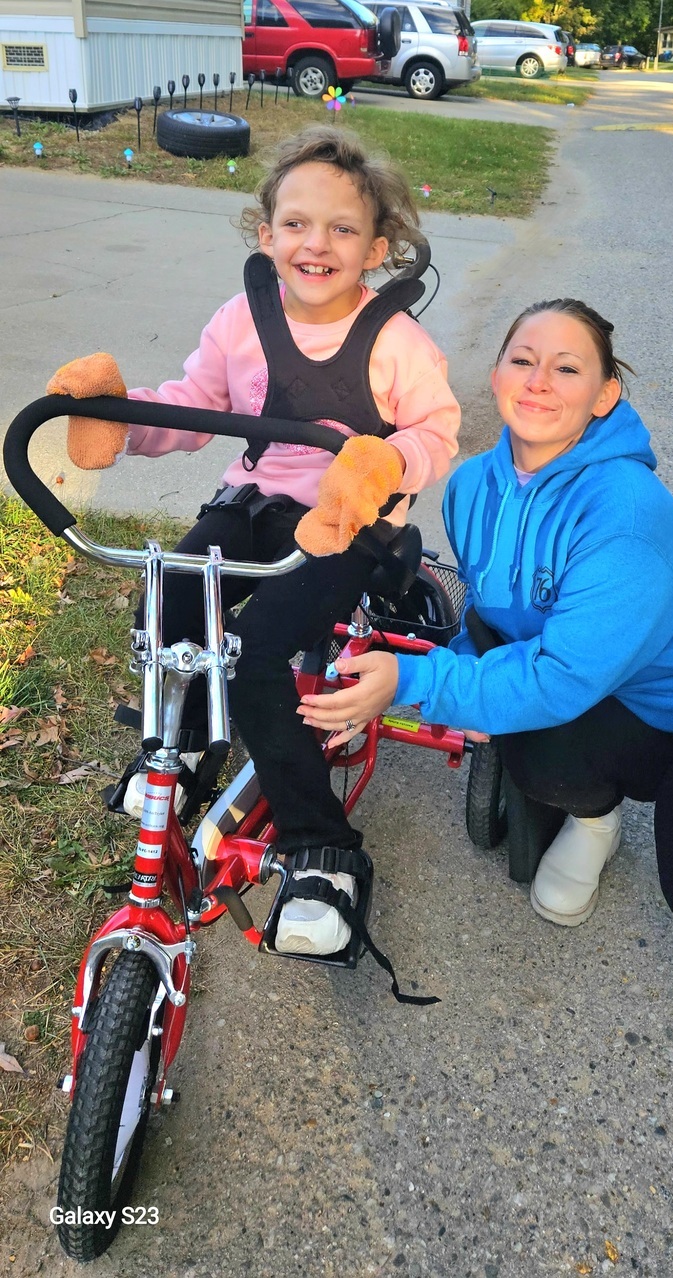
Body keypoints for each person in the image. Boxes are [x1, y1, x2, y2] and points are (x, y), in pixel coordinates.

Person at [46, 125, 460, 959]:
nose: (318, 244)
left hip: (346, 523)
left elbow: (436, 431)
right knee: (166, 603)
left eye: (343, 229)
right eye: (297, 224)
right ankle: (190, 744)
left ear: (377, 247)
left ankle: (322, 849)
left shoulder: (396, 342)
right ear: (264, 233)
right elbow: (196, 407)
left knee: (259, 648)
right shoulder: (242, 318)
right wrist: (122, 418)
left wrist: (386, 463)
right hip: (254, 499)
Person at [298, 298, 673, 959]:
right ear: (494, 375)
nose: (538, 380)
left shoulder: (628, 517)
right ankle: (594, 821)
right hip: (617, 697)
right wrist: (455, 664)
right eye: (521, 360)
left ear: (604, 395)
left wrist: (413, 678)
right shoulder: (471, 489)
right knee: (519, 723)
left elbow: (556, 676)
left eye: (566, 368)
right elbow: (491, 618)